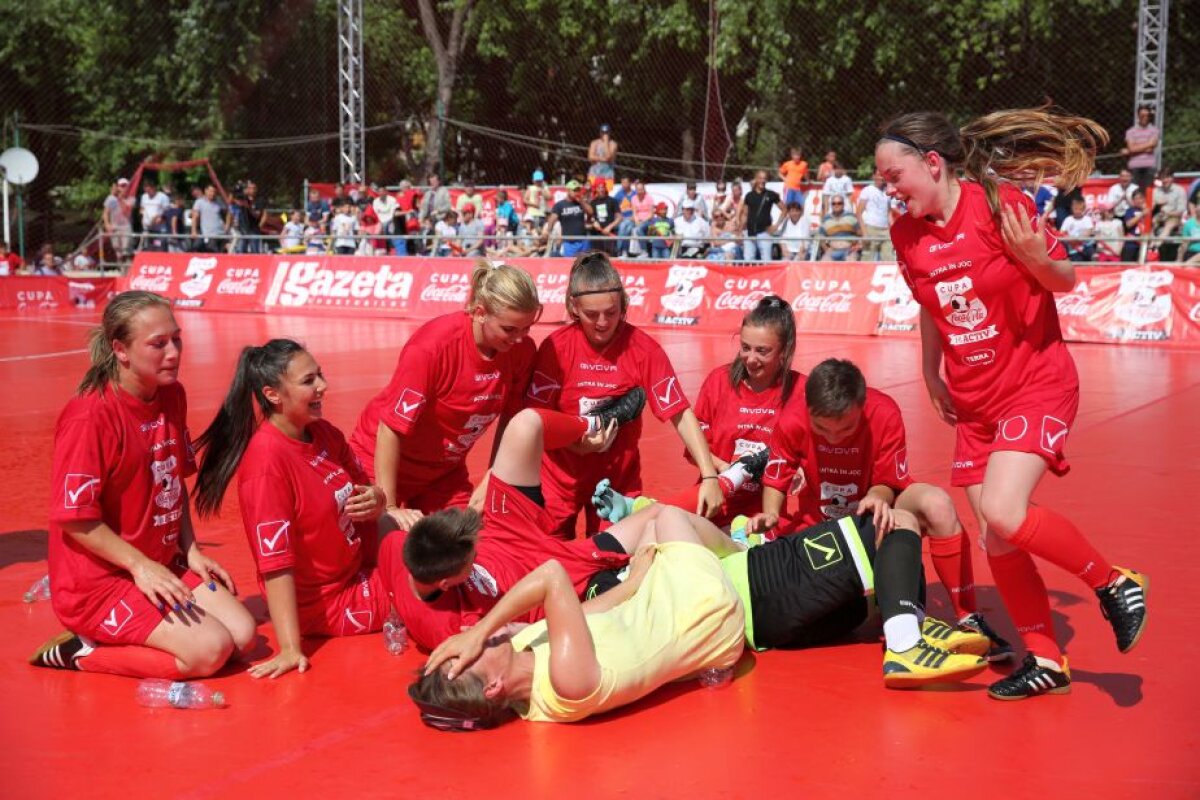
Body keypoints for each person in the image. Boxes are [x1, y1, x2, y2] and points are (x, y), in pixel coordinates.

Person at [875, 108, 1149, 699]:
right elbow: (931, 305)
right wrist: (929, 372)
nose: (888, 189)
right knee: (996, 538)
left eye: (894, 175)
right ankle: (1047, 661)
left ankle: (1113, 581)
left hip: (1035, 384)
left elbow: (1064, 280)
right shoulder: (905, 236)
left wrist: (1036, 259)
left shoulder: (1000, 207)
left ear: (932, 163)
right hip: (974, 404)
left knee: (1003, 510)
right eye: (882, 180)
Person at [410, 502, 986, 730]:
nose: (472, 642)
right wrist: (483, 628)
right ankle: (905, 644)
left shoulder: (530, 665)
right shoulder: (566, 680)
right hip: (710, 607)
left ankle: (896, 617)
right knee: (900, 520)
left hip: (692, 606)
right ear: (491, 685)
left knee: (661, 524)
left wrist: (636, 580)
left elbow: (594, 612)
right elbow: (553, 578)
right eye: (469, 654)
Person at [30, 292, 256, 678]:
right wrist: (141, 566)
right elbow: (74, 518)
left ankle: (147, 628)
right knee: (209, 652)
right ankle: (81, 651)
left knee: (243, 636)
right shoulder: (90, 416)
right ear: (120, 349)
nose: (173, 353)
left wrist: (191, 550)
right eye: (158, 344)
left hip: (157, 564)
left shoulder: (172, 395)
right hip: (99, 583)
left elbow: (171, 481)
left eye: (176, 339)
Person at [750, 357, 1013, 660]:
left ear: (862, 406)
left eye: (846, 429)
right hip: (822, 532)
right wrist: (771, 514)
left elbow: (889, 481)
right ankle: (898, 609)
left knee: (937, 504)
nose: (833, 438)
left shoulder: (884, 412)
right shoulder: (792, 418)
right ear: (808, 409)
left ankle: (967, 617)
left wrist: (876, 496)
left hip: (879, 515)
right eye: (821, 429)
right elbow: (777, 477)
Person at [193, 341, 389, 678]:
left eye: (320, 375)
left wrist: (378, 498)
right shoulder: (267, 463)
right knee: (432, 586)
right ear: (272, 395)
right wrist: (290, 648)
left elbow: (367, 490)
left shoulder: (322, 433)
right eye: (309, 380)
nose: (323, 386)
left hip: (356, 568)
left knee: (425, 538)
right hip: (326, 603)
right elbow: (275, 562)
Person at [391, 405, 634, 651]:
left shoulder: (400, 552)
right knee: (653, 525)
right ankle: (627, 577)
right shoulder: (457, 631)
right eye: (472, 560)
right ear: (445, 584)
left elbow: (386, 530)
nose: (476, 558)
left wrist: (388, 506)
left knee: (525, 424)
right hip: (560, 571)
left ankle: (592, 425)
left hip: (505, 531)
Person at [524, 252, 724, 539]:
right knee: (551, 554)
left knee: (610, 557)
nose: (602, 322)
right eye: (591, 314)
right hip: (560, 480)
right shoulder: (556, 348)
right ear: (573, 306)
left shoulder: (644, 350)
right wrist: (576, 446)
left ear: (624, 304)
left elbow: (680, 413)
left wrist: (709, 475)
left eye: (612, 312)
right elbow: (534, 421)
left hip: (616, 482)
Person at [349, 262, 539, 524]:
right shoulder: (432, 348)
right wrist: (389, 507)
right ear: (480, 313)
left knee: (466, 537)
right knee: (384, 538)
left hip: (442, 474)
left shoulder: (521, 351)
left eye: (527, 328)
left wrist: (493, 479)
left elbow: (512, 423)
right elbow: (390, 428)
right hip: (379, 462)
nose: (519, 338)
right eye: (509, 329)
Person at [593, 295, 799, 529]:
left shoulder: (800, 391)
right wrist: (726, 470)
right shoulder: (719, 382)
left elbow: (812, 453)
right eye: (745, 348)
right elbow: (694, 449)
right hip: (712, 507)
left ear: (784, 350)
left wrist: (800, 469)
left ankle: (639, 509)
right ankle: (640, 511)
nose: (751, 359)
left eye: (762, 351)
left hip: (763, 519)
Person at [740, 170, 783, 262]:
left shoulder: (771, 194)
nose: (762, 181)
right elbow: (745, 214)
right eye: (760, 178)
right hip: (750, 232)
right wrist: (741, 230)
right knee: (748, 260)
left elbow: (785, 209)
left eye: (764, 178)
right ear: (756, 179)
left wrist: (776, 225)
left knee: (766, 260)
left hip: (764, 232)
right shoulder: (749, 196)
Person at [543, 180, 592, 258]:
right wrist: (548, 232)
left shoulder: (581, 203)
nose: (577, 192)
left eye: (578, 190)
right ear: (568, 190)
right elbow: (552, 220)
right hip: (569, 242)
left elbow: (590, 212)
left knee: (586, 262)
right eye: (574, 190)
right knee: (570, 263)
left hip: (584, 240)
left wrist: (581, 201)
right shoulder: (560, 205)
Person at [856, 171, 893, 260]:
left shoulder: (887, 192)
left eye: (883, 176)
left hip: (885, 229)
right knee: (867, 258)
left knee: (889, 258)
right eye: (879, 175)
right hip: (871, 227)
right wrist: (864, 232)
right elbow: (859, 212)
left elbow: (889, 212)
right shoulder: (867, 190)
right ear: (873, 176)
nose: (881, 178)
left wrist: (892, 229)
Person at [1122, 105, 1159, 190]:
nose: (1145, 118)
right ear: (1138, 116)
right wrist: (1148, 145)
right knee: (1134, 191)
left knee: (1148, 191)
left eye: (1147, 115)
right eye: (1142, 115)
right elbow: (1132, 148)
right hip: (1134, 165)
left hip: (1149, 165)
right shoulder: (1130, 131)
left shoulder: (1154, 130)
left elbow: (1133, 149)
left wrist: (1133, 149)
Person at [817, 196, 862, 261]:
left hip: (849, 251)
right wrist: (826, 249)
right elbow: (821, 237)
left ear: (843, 204)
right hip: (832, 251)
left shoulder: (851, 216)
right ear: (831, 205)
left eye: (839, 203)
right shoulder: (826, 219)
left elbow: (860, 233)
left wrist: (857, 246)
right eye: (834, 203)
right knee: (824, 262)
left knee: (851, 262)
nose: (836, 205)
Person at [103, 179, 134, 261]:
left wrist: (120, 198)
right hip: (115, 226)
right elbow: (105, 213)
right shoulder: (111, 198)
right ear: (118, 187)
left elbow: (126, 211)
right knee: (117, 249)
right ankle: (121, 267)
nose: (124, 188)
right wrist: (107, 224)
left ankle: (128, 266)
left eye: (125, 186)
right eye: (122, 186)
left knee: (126, 249)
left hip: (126, 227)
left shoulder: (131, 198)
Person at [1059, 196, 1096, 262]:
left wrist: (1078, 239)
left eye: (1080, 209)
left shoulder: (1087, 219)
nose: (1078, 211)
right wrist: (1071, 240)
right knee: (1077, 262)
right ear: (1072, 208)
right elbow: (1062, 233)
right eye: (1076, 209)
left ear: (1084, 209)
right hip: (1073, 249)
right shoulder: (1068, 220)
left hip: (1086, 246)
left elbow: (1088, 231)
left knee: (1091, 253)